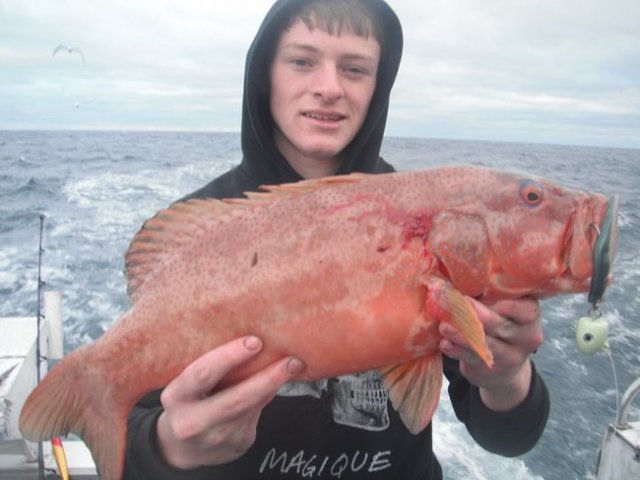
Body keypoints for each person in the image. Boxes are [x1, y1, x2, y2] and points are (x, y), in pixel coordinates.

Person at [123, 0, 550, 478]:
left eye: (354, 68)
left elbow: (507, 437)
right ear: (265, 74)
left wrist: (507, 377)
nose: (328, 88)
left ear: (377, 87)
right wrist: (170, 446)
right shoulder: (201, 234)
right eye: (302, 61)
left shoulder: (433, 223)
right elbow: (127, 440)